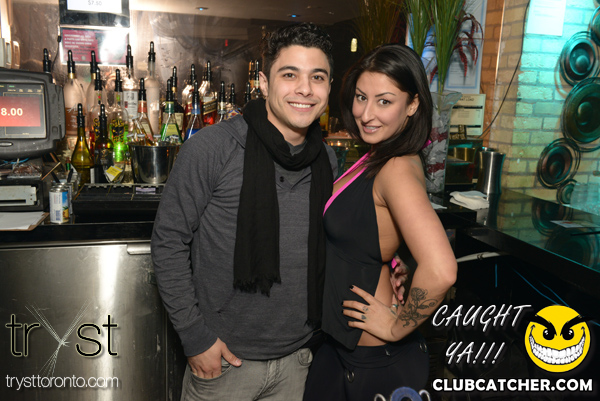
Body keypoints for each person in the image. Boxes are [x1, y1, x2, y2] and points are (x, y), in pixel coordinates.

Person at [151, 23, 338, 401]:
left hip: (299, 360)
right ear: (264, 83)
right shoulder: (212, 149)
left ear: (329, 87)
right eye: (290, 75)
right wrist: (195, 338)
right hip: (223, 362)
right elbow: (168, 241)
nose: (305, 89)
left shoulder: (327, 160)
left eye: (317, 77)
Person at [303, 44, 458, 400]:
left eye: (384, 101)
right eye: (361, 97)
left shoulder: (397, 168)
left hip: (374, 362)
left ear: (413, 105)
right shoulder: (377, 155)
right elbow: (372, 228)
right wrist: (395, 257)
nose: (366, 113)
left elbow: (442, 269)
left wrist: (396, 327)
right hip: (340, 350)